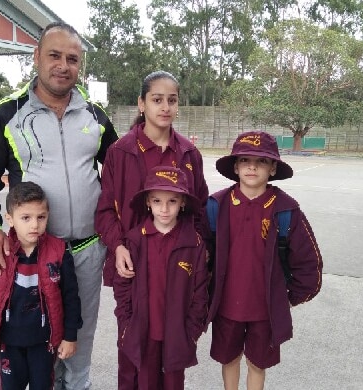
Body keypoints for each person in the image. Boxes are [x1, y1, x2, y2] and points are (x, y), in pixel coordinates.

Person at [0, 22, 118, 390]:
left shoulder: (95, 116)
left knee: (77, 339)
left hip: (85, 251)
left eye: (72, 59)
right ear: (36, 58)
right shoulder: (8, 115)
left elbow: (121, 171)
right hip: (31, 255)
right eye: (54, 55)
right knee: (32, 343)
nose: (63, 65)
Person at [206, 131, 323, 390]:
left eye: (261, 161)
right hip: (226, 307)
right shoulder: (216, 206)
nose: (252, 166)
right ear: (235, 166)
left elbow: (308, 262)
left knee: (258, 364)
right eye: (245, 160)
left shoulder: (285, 211)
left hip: (265, 311)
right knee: (230, 358)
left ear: (272, 169)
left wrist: (287, 297)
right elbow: (199, 254)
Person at [96, 70, 209, 287]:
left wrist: (200, 247)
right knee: (134, 320)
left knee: (180, 320)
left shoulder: (189, 153)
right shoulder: (119, 152)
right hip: (133, 261)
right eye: (157, 100)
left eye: (172, 100)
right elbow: (105, 209)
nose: (165, 107)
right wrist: (118, 246)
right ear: (142, 103)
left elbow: (201, 208)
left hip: (180, 263)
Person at [0, 181, 82, 389]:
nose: (34, 225)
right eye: (26, 218)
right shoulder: (0, 252)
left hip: (43, 344)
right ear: (10, 219)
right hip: (9, 343)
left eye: (40, 217)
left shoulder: (59, 252)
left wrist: (70, 336)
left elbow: (71, 298)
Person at [113, 166, 209, 390]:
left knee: (173, 384)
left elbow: (200, 292)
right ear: (148, 202)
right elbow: (122, 286)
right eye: (157, 201)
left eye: (172, 201)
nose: (164, 209)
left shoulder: (193, 243)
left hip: (176, 334)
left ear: (183, 202)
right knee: (142, 382)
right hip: (142, 332)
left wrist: (191, 332)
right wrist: (127, 324)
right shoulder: (135, 239)